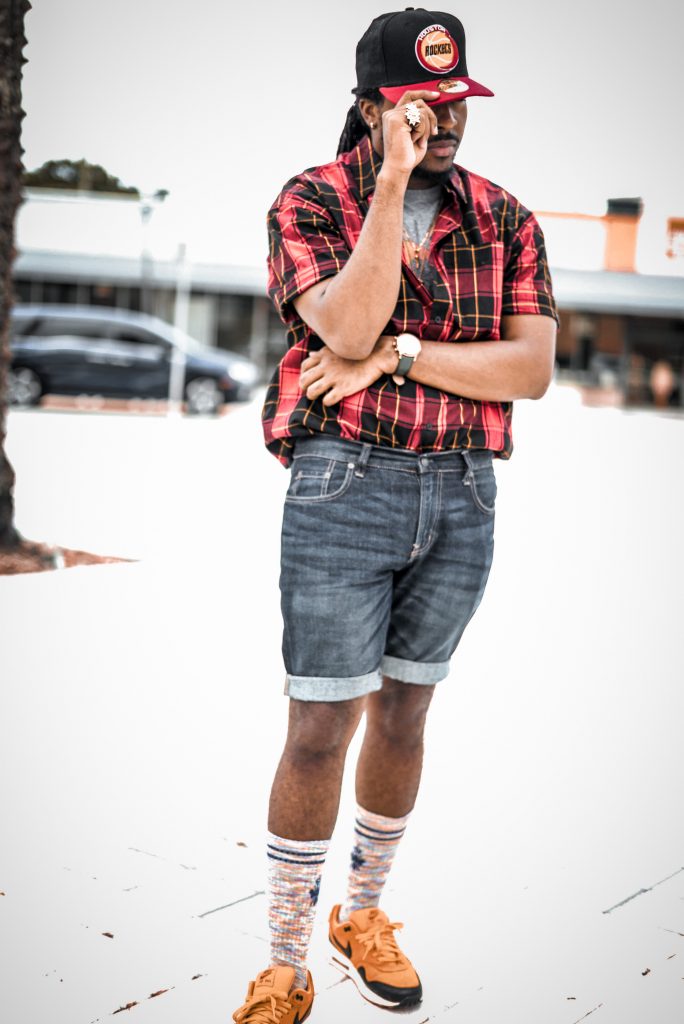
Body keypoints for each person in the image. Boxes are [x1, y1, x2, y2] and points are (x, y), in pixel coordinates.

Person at [232, 8, 558, 1023]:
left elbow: (530, 369)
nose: (446, 121)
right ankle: (286, 955)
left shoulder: (505, 218)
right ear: (373, 106)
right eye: (423, 103)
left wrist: (400, 358)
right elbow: (345, 319)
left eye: (457, 100)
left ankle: (362, 915)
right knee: (321, 722)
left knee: (409, 709)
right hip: (345, 482)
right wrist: (384, 184)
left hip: (461, 490)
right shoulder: (310, 201)